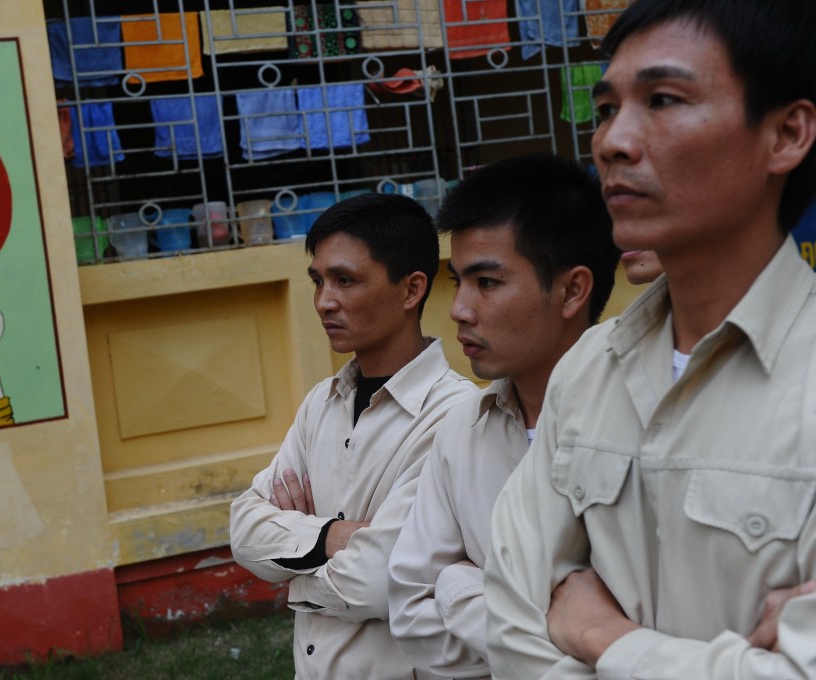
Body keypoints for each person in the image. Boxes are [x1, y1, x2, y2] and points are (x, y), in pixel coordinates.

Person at [484, 1, 816, 678]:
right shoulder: (588, 370)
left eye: (663, 100)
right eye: (606, 109)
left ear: (785, 134)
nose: (611, 142)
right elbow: (512, 624)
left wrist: (605, 639)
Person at [387, 153, 619, 678]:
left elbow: (658, 628)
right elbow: (412, 613)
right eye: (457, 282)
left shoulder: (641, 421)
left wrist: (460, 587)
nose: (459, 309)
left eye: (487, 283)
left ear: (572, 290)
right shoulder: (462, 430)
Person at [229, 193, 477, 679]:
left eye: (346, 280)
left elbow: (377, 583)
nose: (325, 301)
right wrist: (331, 536)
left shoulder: (456, 415)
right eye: (318, 281)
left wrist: (293, 571)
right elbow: (243, 530)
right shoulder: (322, 403)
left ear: (411, 290)